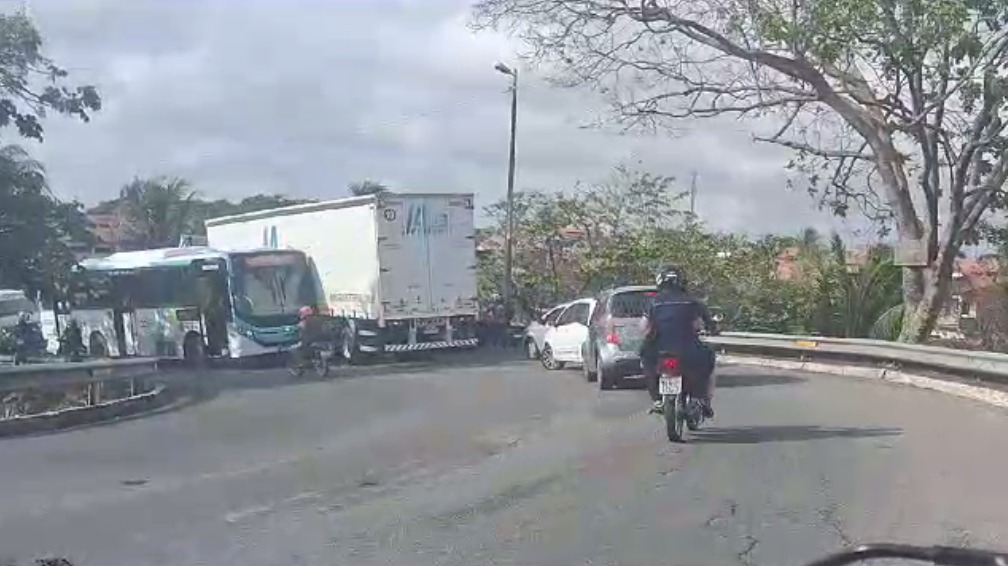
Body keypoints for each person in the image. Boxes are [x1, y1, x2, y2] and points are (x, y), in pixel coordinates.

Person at [639, 266, 718, 417]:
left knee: (646, 361)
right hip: (688, 348)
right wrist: (712, 328)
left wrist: (648, 335)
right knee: (708, 360)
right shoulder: (693, 302)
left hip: (659, 349)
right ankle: (701, 399)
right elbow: (709, 324)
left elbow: (643, 327)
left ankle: (657, 399)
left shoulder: (654, 303)